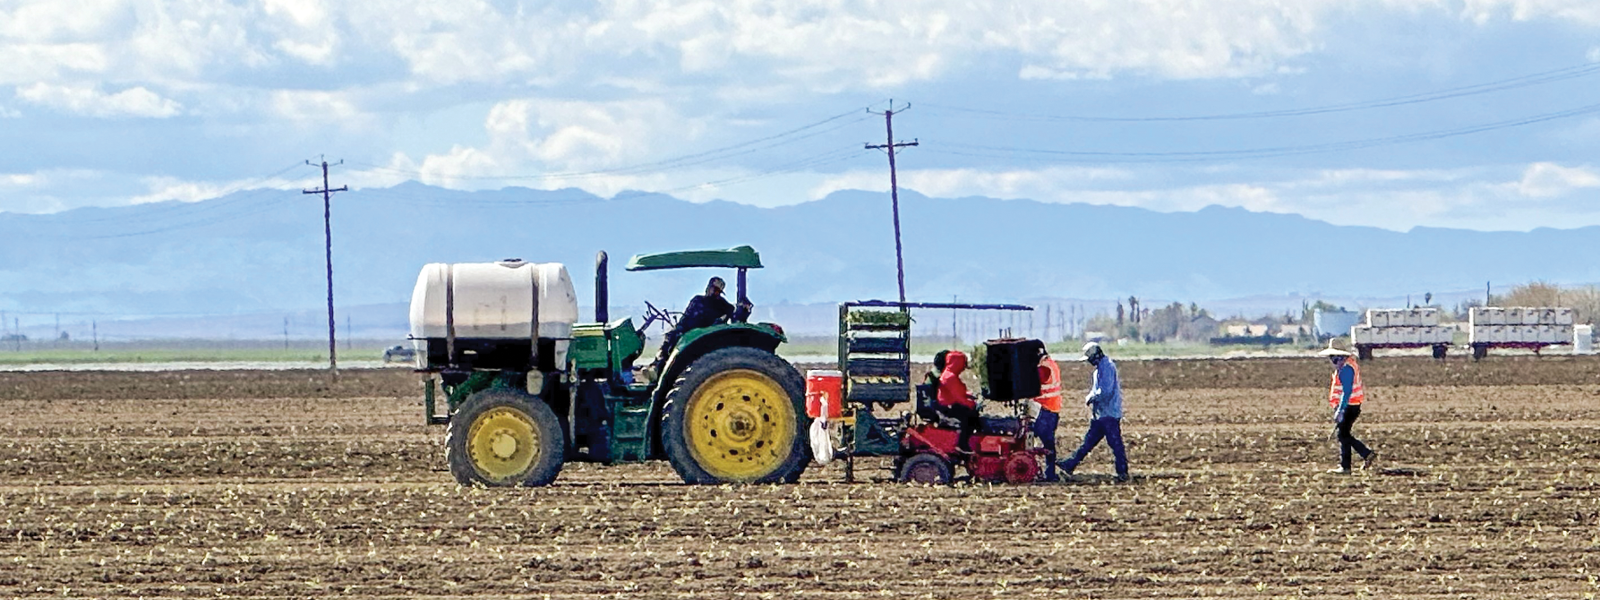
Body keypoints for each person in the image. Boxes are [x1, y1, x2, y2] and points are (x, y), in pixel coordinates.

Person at [647, 276, 752, 373]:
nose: (713, 292)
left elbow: (736, 320)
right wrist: (678, 329)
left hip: (705, 335)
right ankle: (658, 366)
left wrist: (744, 311)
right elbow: (685, 318)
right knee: (671, 337)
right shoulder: (697, 300)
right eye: (712, 289)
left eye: (717, 291)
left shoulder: (724, 306)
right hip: (688, 332)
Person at [1058, 341, 1129, 482]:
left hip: (1108, 414)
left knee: (1115, 444)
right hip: (1101, 414)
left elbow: (1106, 391)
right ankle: (1069, 464)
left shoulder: (1106, 367)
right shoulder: (1100, 368)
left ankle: (1123, 472)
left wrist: (1091, 398)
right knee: (1088, 442)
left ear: (1096, 356)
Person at [1318, 344, 1376, 474]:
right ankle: (1360, 456)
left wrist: (1341, 410)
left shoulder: (1346, 369)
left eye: (1333, 358)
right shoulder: (1347, 367)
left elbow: (1347, 391)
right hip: (1351, 405)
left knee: (1343, 435)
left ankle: (1352, 463)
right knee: (1344, 435)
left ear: (1340, 357)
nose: (1332, 361)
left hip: (1349, 406)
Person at [936, 349, 981, 451]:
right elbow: (958, 397)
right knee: (970, 418)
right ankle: (962, 444)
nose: (964, 368)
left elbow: (958, 393)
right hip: (949, 407)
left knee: (972, 415)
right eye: (962, 364)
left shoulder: (949, 375)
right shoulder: (950, 377)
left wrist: (969, 395)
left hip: (951, 404)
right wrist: (970, 403)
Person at [1031, 350, 1065, 482]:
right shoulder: (1052, 364)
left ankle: (1049, 473)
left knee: (1046, 443)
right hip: (1053, 409)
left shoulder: (1043, 368)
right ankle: (1049, 472)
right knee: (1048, 442)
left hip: (1045, 410)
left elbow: (1033, 384)